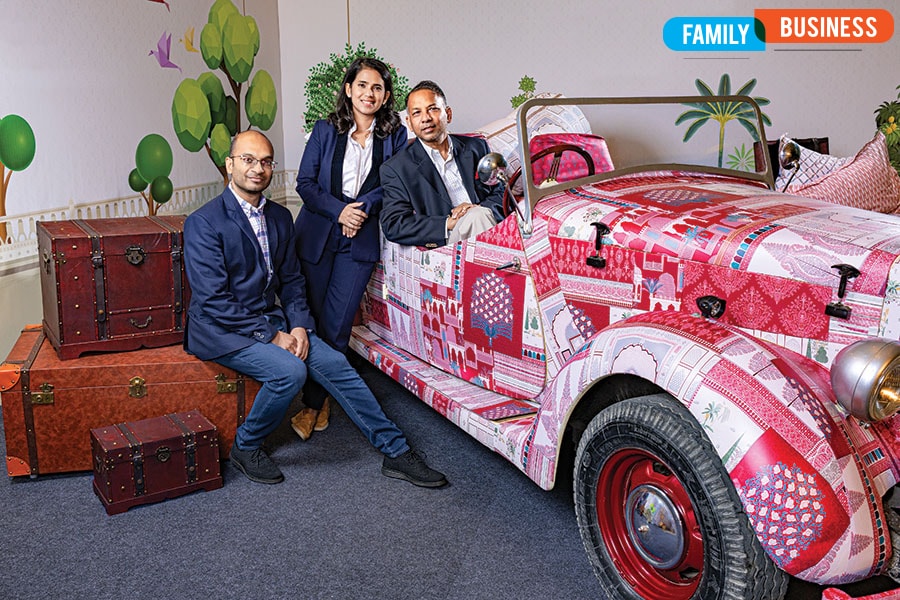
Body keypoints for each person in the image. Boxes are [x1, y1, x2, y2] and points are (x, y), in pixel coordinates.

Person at [183, 129, 447, 488]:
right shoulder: (202, 222)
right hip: (221, 330)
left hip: (271, 320)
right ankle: (246, 446)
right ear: (230, 165)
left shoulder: (278, 216)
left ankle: (396, 452)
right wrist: (273, 336)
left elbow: (292, 280)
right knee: (290, 373)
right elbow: (212, 300)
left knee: (336, 362)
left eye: (264, 162)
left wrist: (298, 326)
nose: (257, 169)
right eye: (247, 159)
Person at [291, 57, 408, 440]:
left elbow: (393, 184)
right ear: (348, 89)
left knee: (338, 327)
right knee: (308, 320)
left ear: (386, 95)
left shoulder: (394, 136)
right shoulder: (325, 130)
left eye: (376, 87)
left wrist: (360, 211)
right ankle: (308, 395)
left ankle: (314, 403)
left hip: (359, 240)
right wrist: (339, 210)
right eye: (362, 85)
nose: (368, 94)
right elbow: (305, 185)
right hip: (317, 235)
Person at [380, 80, 505, 248]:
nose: (425, 118)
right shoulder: (397, 168)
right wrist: (447, 223)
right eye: (417, 113)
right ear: (409, 123)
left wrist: (478, 209)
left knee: (479, 216)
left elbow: (501, 192)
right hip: (449, 240)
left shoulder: (476, 147)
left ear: (448, 114)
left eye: (433, 109)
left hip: (486, 222)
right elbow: (394, 224)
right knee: (477, 218)